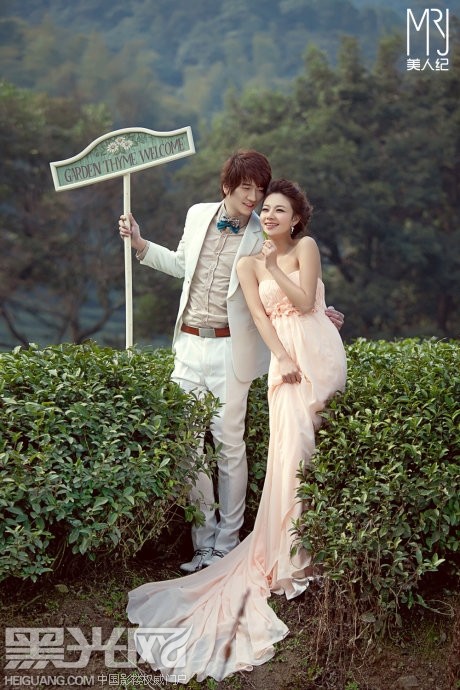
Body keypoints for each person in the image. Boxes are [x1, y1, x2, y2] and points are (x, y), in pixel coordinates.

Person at [126, 178, 347, 683]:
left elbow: (305, 296)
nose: (260, 208)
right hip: (228, 351)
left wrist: (317, 305)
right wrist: (139, 245)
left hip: (283, 352)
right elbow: (193, 272)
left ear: (294, 216)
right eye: (253, 196)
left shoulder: (278, 244)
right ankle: (233, 547)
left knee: (267, 449)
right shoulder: (211, 226)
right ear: (230, 186)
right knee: (233, 450)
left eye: (270, 203)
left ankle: (252, 542)